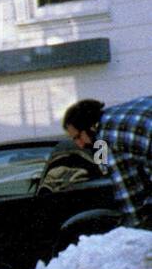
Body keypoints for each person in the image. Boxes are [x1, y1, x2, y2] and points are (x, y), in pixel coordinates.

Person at [63, 96, 152, 230]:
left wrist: (135, 231)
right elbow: (104, 164)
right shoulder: (112, 115)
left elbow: (129, 197)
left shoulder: (106, 139)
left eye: (78, 137)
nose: (80, 145)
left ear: (91, 127)